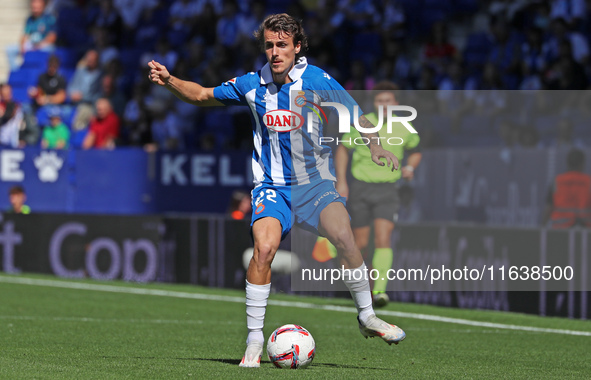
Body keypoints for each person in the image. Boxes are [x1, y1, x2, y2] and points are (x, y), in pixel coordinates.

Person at [148, 13, 406, 368]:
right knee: (264, 247)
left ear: (297, 47)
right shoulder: (252, 84)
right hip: (272, 187)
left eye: (282, 45)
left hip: (315, 185)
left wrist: (375, 145)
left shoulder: (316, 79)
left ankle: (366, 316)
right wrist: (169, 80)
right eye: (269, 45)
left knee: (345, 237)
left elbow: (355, 112)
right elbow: (203, 95)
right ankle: (254, 342)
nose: (274, 52)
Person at [335, 81, 421, 307]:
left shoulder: (404, 126)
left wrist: (410, 168)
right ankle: (361, 289)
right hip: (361, 188)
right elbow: (343, 149)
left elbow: (415, 151)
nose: (383, 104)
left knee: (383, 238)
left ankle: (380, 291)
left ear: (396, 104)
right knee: (360, 243)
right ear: (373, 103)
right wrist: (342, 182)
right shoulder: (363, 123)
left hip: (388, 190)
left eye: (388, 101)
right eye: (379, 100)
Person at [543, 148, 591, 228]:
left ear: (567, 163)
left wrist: (542, 227)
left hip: (561, 227)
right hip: (585, 230)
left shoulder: (557, 181)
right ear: (582, 164)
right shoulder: (588, 182)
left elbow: (549, 207)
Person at [5, 0, 57, 70]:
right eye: (34, 8)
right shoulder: (30, 19)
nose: (35, 10)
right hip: (32, 44)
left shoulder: (49, 18)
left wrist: (41, 45)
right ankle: (17, 71)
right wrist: (22, 46)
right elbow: (24, 35)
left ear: (43, 6)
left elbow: (52, 36)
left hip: (43, 45)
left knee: (50, 49)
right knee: (10, 50)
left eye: (38, 8)